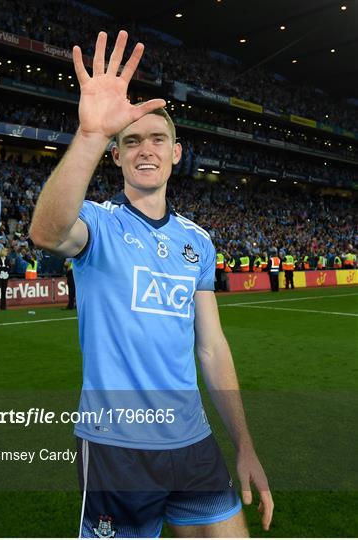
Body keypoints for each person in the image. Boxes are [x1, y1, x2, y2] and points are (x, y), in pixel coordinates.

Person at [30, 31, 273, 538]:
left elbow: (211, 348)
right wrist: (94, 134)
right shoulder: (98, 224)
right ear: (116, 157)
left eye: (157, 139)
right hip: (117, 447)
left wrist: (244, 445)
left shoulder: (198, 242)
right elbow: (47, 232)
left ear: (176, 153)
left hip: (193, 442)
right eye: (131, 140)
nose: (146, 150)